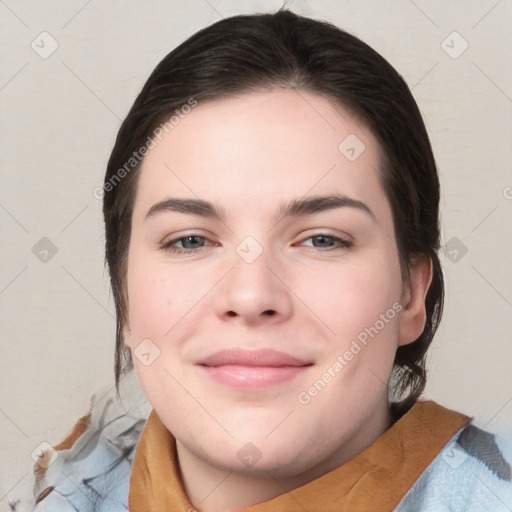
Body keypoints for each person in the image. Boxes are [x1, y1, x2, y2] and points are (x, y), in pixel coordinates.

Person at [12, 7, 512, 512]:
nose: (251, 297)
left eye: (321, 240)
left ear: (410, 294)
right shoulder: (60, 492)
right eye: (190, 241)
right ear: (123, 290)